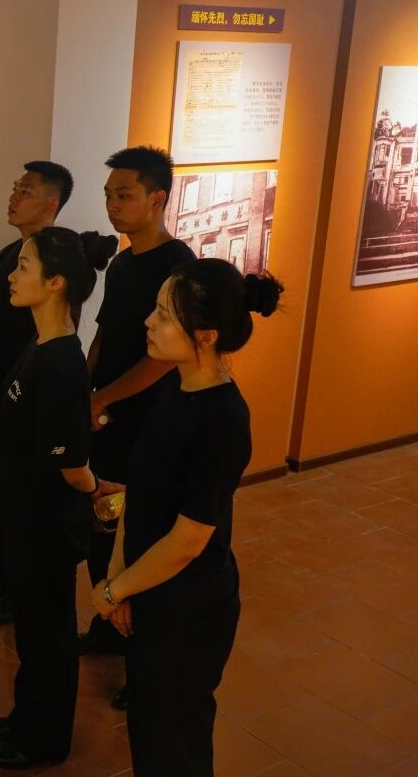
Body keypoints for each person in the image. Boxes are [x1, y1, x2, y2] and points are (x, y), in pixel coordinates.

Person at [91, 259, 283, 776]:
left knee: (177, 746)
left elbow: (188, 540)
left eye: (163, 315)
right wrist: (120, 579)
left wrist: (113, 590)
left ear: (205, 336)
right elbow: (139, 492)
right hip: (149, 588)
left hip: (189, 608)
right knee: (149, 735)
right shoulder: (173, 389)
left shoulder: (223, 420)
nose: (148, 322)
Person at [0, 226, 120, 770]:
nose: (13, 277)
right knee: (32, 631)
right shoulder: (39, 344)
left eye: (24, 266)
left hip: (45, 529)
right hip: (23, 520)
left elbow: (70, 463)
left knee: (50, 637)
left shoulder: (62, 362)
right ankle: (26, 715)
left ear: (56, 282)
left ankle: (46, 738)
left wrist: (95, 487)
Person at [80, 147, 195, 710]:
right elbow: (105, 336)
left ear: (157, 199)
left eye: (123, 195)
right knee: (104, 525)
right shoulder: (123, 264)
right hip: (109, 418)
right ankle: (109, 624)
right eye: (108, 195)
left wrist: (104, 395)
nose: (112, 205)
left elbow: (165, 359)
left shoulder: (179, 266)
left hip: (149, 422)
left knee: (142, 535)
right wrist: (84, 390)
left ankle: (143, 661)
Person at [0, 161, 74, 628]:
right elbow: (0, 328)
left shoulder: (58, 257)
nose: (12, 198)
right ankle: (3, 578)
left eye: (25, 191)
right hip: (3, 388)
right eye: (14, 188)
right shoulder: (9, 253)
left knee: (24, 497)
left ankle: (21, 590)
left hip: (32, 393)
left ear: (50, 203)